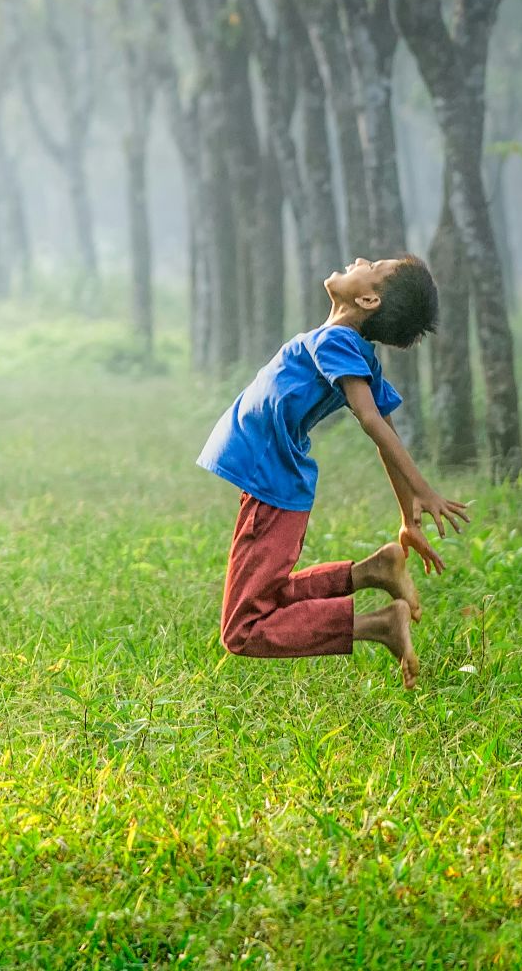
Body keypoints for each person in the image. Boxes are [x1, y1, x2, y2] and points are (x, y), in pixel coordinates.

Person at [197, 256, 469, 689]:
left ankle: (379, 625)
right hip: (272, 483)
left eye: (373, 264)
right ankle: (372, 572)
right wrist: (407, 518)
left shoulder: (339, 341)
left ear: (368, 298)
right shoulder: (346, 345)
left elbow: (373, 420)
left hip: (272, 485)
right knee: (266, 598)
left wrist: (422, 491)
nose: (360, 259)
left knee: (243, 629)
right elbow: (386, 427)